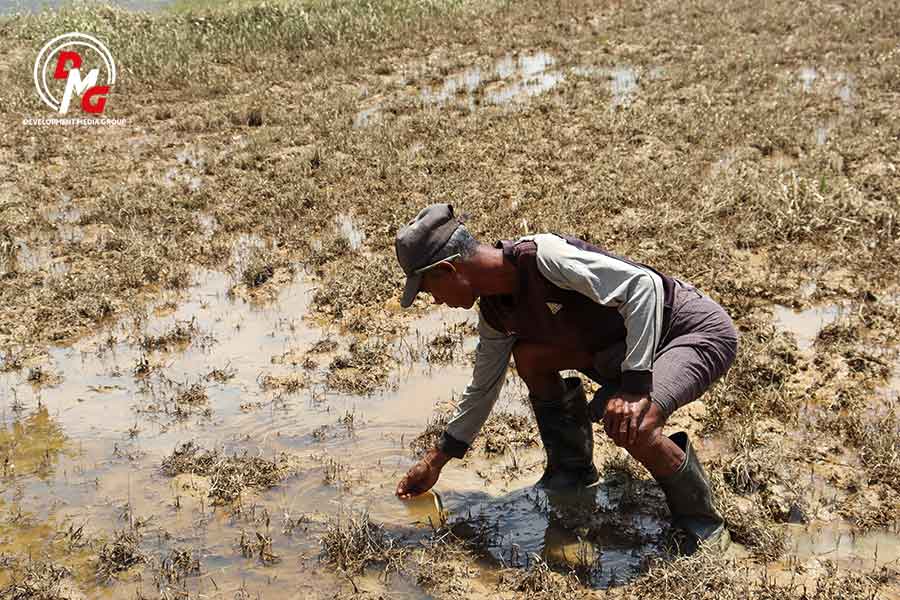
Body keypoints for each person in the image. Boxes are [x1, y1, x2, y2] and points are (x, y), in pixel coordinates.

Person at [393, 203, 738, 551]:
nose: (434, 299)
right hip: (621, 350)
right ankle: (572, 475)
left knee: (634, 424)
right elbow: (483, 387)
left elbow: (644, 288)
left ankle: (703, 523)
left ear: (448, 270)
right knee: (528, 356)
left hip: (687, 333)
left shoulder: (546, 258)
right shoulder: (496, 312)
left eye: (427, 289)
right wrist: (435, 461)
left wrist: (634, 387)